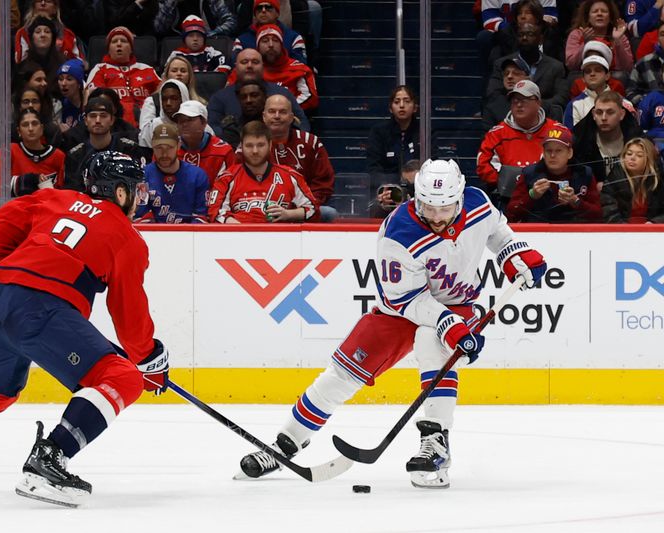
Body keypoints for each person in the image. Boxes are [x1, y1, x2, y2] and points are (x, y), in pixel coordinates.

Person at [234, 158, 547, 489]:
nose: (437, 217)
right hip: (401, 310)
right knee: (341, 375)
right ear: (416, 197)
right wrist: (448, 323)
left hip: (459, 304)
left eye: (445, 208)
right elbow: (406, 300)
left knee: (431, 342)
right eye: (428, 207)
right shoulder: (398, 233)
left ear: (458, 197)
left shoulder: (477, 202)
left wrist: (515, 254)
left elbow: (497, 232)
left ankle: (435, 443)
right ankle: (285, 444)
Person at [0, 150, 170, 509]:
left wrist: (27, 276)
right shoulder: (129, 239)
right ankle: (49, 459)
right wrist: (149, 358)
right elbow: (128, 316)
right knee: (123, 378)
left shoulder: (54, 197)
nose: (139, 198)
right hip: (39, 309)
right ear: (119, 192)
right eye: (136, 189)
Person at [208, 120, 317, 223]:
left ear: (270, 145)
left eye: (260, 145)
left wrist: (287, 214)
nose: (255, 151)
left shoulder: (290, 175)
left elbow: (313, 209)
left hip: (280, 238)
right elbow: (215, 212)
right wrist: (240, 229)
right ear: (241, 146)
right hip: (239, 238)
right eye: (249, 146)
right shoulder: (227, 177)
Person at [477, 80, 564, 198]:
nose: (518, 104)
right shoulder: (497, 134)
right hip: (509, 198)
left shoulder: (557, 131)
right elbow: (483, 165)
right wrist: (507, 181)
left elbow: (569, 162)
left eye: (524, 100)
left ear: (538, 102)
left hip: (550, 196)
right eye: (515, 101)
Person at [262, 94, 336, 221]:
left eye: (283, 112)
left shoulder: (310, 142)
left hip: (302, 208)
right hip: (261, 207)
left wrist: (300, 207)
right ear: (263, 116)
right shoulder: (251, 145)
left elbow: (324, 184)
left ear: (291, 118)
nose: (277, 116)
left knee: (329, 213)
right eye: (272, 111)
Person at [506, 125, 602, 222]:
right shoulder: (530, 174)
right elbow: (511, 214)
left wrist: (575, 201)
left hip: (573, 231)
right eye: (549, 151)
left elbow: (598, 215)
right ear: (543, 153)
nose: (552, 155)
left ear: (570, 153)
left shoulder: (584, 173)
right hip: (538, 231)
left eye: (558, 151)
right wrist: (532, 195)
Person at [208, 48, 309, 140]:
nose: (249, 66)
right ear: (236, 66)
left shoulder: (282, 93)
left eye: (255, 62)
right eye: (244, 62)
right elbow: (211, 127)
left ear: (263, 66)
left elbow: (302, 124)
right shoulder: (219, 97)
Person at [486, 22, 569, 120]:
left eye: (530, 34)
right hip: (507, 115)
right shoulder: (501, 64)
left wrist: (533, 105)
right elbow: (493, 94)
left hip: (544, 117)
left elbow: (561, 98)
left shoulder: (556, 66)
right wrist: (517, 105)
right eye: (521, 35)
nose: (524, 38)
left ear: (541, 39)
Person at [64, 97, 149, 190]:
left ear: (112, 120)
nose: (97, 120)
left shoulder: (130, 149)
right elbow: (71, 191)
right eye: (92, 116)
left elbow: (140, 185)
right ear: (85, 121)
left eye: (103, 116)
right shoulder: (75, 155)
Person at [85, 26, 161, 126]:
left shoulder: (146, 69)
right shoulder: (100, 69)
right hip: (114, 122)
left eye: (124, 41)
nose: (119, 44)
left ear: (131, 49)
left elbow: (162, 90)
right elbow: (94, 98)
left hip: (146, 119)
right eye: (114, 41)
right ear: (109, 49)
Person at [136, 123, 210, 223]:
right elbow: (141, 218)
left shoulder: (197, 176)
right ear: (152, 146)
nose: (164, 154)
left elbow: (201, 218)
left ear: (178, 146)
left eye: (169, 147)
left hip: (189, 236)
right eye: (159, 148)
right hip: (154, 235)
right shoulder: (142, 176)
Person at [572, 90, 643, 186]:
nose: (604, 118)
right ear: (593, 114)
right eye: (599, 112)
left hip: (629, 192)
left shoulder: (637, 137)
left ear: (621, 114)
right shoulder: (580, 140)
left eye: (610, 112)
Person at [0, 108, 66, 196]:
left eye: (34, 124)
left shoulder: (58, 156)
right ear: (19, 131)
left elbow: (63, 191)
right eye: (25, 125)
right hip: (17, 206)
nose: (30, 128)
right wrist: (29, 180)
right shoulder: (8, 151)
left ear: (41, 128)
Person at [367, 85, 420, 187]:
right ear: (390, 108)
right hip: (388, 191)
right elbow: (373, 171)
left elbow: (432, 167)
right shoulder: (378, 132)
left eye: (407, 101)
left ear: (415, 108)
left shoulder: (425, 131)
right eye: (396, 102)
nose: (401, 105)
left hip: (419, 191)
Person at [601, 137, 664, 222]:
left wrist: (654, 223)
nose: (632, 158)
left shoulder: (659, 181)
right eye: (629, 154)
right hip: (621, 231)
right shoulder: (614, 179)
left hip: (651, 231)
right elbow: (608, 212)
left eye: (639, 155)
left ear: (649, 160)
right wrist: (625, 230)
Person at [563, 54, 634, 129]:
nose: (592, 74)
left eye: (597, 70)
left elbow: (632, 134)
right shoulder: (574, 105)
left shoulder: (624, 103)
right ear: (583, 78)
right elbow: (571, 136)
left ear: (607, 76)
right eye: (588, 71)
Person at [175, 100, 235, 187]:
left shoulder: (223, 151)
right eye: (180, 120)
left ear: (203, 122)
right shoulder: (168, 149)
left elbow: (230, 186)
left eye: (189, 120)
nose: (184, 124)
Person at [565, 0, 632, 74]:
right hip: (584, 76)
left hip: (613, 77)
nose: (599, 14)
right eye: (595, 11)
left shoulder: (620, 36)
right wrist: (585, 44)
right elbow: (571, 65)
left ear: (610, 17)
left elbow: (628, 68)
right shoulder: (577, 34)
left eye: (604, 11)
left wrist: (617, 41)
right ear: (588, 17)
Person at [233, 0, 307, 64]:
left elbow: (300, 66)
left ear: (277, 13)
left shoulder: (294, 38)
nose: (263, 10)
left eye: (268, 8)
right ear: (255, 14)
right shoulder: (241, 41)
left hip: (285, 78)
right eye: (259, 8)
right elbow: (236, 68)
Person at [14, 0, 82, 65]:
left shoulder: (68, 35)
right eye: (39, 1)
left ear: (55, 8)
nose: (43, 3)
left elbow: (79, 64)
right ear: (33, 6)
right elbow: (20, 65)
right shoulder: (22, 33)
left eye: (48, 1)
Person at [165, 15, 231, 74]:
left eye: (199, 36)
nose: (195, 39)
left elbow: (225, 67)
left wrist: (213, 77)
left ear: (204, 39)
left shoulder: (213, 53)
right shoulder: (176, 55)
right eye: (191, 36)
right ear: (184, 39)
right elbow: (166, 74)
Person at [482, 57, 531, 132]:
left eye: (516, 73)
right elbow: (487, 138)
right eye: (506, 73)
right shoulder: (492, 108)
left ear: (528, 79)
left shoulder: (539, 106)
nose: (509, 76)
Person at [139, 78, 190, 148]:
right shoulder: (152, 127)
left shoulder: (196, 124)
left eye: (174, 98)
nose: (168, 103)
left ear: (183, 99)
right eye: (164, 99)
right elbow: (144, 155)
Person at [218, 78, 268, 147]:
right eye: (243, 97)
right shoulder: (232, 128)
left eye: (254, 95)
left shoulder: (274, 124)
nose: (248, 100)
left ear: (265, 97)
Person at [627, 22, 664, 106]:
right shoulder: (644, 63)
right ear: (658, 39)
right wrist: (647, 102)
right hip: (651, 113)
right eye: (663, 34)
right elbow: (630, 92)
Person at [154, 0, 236, 38]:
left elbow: (230, 22)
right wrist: (171, 3)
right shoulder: (167, 2)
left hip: (206, 41)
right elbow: (159, 28)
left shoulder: (211, 1)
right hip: (177, 42)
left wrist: (211, 34)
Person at [57, 59, 84, 133]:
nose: (63, 83)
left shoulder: (88, 104)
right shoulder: (59, 106)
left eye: (69, 79)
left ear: (79, 84)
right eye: (60, 79)